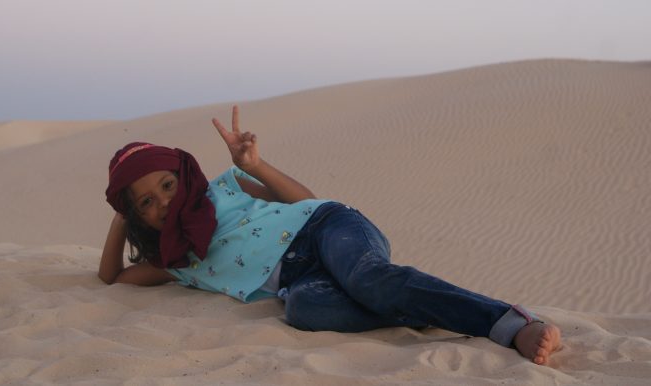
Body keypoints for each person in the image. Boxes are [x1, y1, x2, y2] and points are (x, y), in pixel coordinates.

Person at [99, 105, 562, 366]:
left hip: (324, 227)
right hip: (301, 281)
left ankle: (511, 323)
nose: (162, 201)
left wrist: (253, 165)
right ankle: (411, 306)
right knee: (303, 309)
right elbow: (113, 279)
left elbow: (305, 199)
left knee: (368, 280)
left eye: (165, 185)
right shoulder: (173, 260)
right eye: (144, 202)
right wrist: (122, 217)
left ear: (183, 174)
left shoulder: (224, 185)